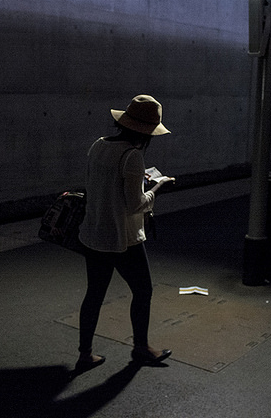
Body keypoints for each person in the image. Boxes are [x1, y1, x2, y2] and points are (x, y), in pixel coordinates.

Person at [75, 94, 175, 373]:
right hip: (122, 238)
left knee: (93, 294)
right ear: (147, 132)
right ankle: (141, 348)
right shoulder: (133, 156)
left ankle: (85, 354)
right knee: (143, 291)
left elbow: (103, 185)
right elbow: (135, 205)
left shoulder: (98, 146)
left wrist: (136, 181)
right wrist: (157, 187)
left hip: (93, 233)